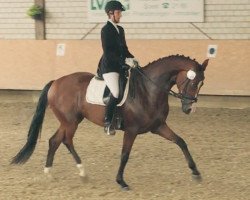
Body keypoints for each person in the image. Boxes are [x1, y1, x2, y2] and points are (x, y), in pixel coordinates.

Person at [97, 0, 138, 135]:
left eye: (120, 13)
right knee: (115, 92)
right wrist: (124, 60)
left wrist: (132, 58)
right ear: (110, 13)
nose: (120, 15)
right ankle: (108, 122)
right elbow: (108, 52)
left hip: (121, 65)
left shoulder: (120, 30)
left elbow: (124, 49)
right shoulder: (105, 30)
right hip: (110, 68)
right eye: (118, 12)